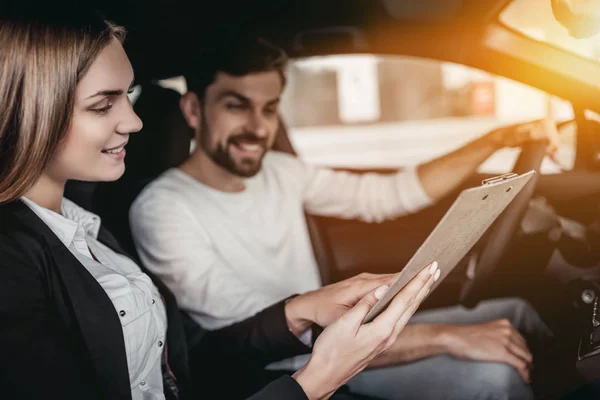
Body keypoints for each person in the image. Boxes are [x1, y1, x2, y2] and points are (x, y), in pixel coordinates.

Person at [0, 10, 439, 400]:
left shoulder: (86, 230)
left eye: (127, 96)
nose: (134, 121)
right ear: (33, 112)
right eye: (102, 105)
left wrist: (299, 310)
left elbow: (185, 364)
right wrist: (315, 382)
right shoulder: (14, 260)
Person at [129, 37, 555, 399]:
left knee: (516, 312)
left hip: (346, 332)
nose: (258, 128)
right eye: (237, 106)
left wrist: (498, 139)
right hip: (293, 365)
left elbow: (387, 195)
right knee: (496, 375)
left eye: (269, 108)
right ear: (192, 110)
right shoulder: (161, 209)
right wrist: (446, 336)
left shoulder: (281, 171)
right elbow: (266, 326)